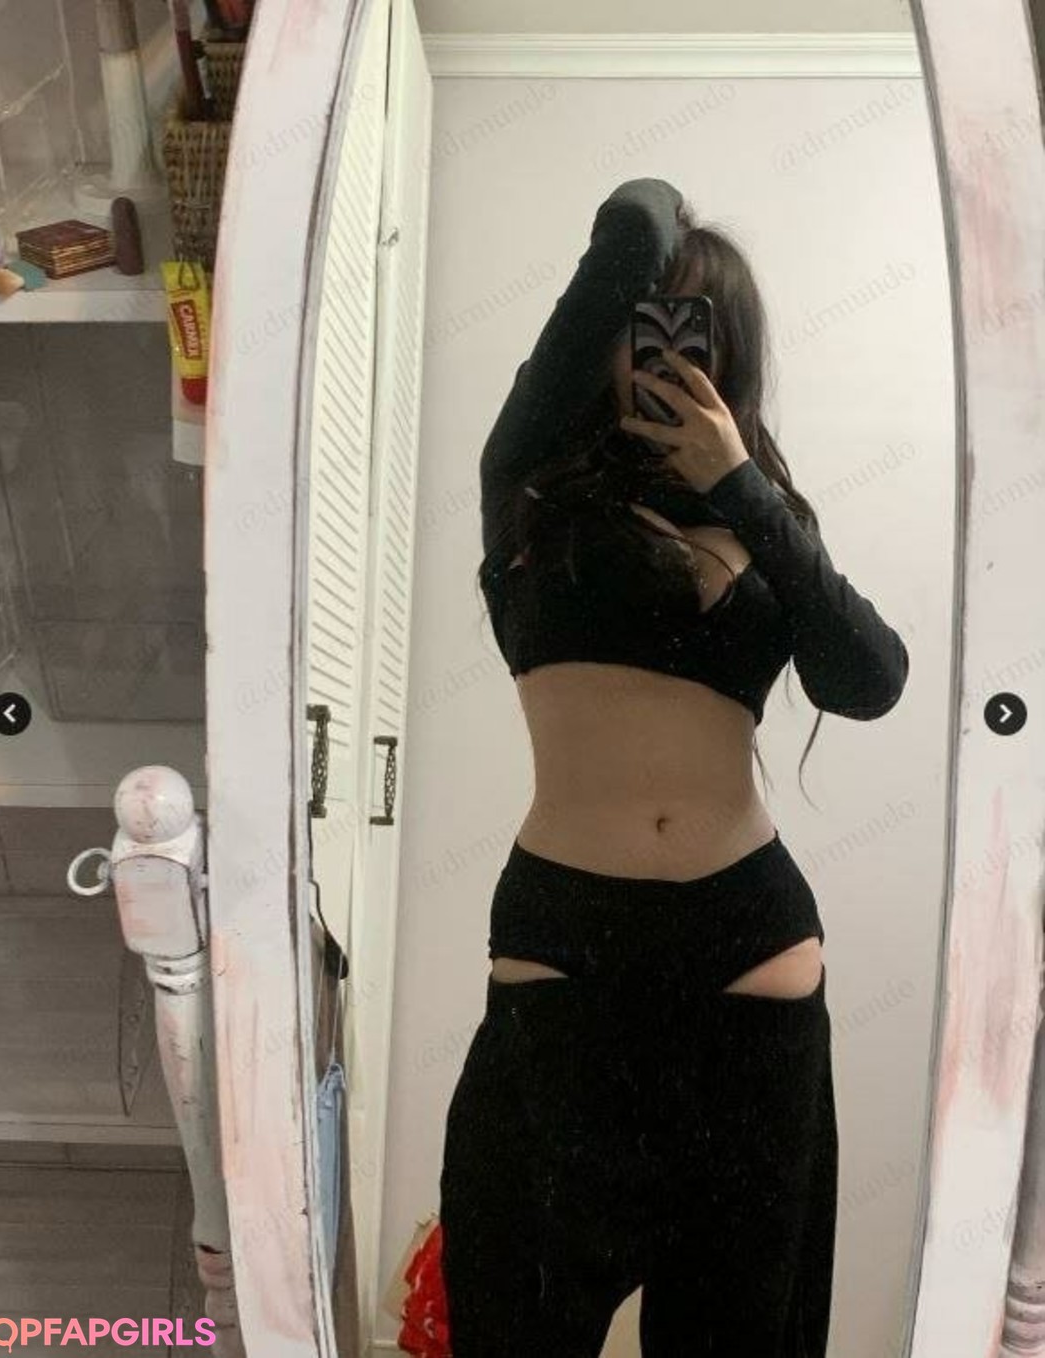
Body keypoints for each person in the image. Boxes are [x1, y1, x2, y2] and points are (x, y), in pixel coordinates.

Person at [437, 178, 909, 1358]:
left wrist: (740, 484)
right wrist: (661, 237)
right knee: (518, 1306)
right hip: (567, 935)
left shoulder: (765, 519)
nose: (667, 351)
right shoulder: (527, 483)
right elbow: (631, 220)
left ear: (735, 356)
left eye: (701, 331)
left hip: (748, 947)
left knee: (737, 1330)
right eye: (648, 324)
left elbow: (870, 678)